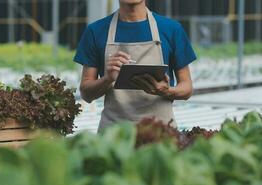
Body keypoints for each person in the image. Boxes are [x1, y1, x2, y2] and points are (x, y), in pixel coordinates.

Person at [74, 0, 196, 133]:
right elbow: (86, 93)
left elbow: (187, 88)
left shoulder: (172, 29)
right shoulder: (95, 31)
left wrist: (166, 91)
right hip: (113, 137)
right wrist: (107, 78)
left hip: (161, 134)